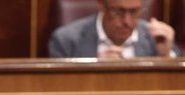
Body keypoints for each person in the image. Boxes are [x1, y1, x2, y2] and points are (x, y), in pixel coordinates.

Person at [49, 0, 177, 59]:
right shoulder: (66, 40)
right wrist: (96, 70)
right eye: (118, 11)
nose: (127, 21)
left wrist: (166, 55)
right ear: (101, 5)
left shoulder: (155, 37)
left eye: (134, 12)